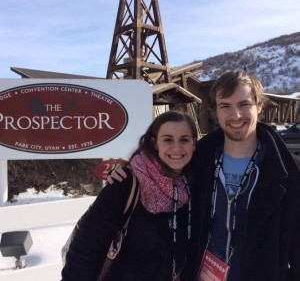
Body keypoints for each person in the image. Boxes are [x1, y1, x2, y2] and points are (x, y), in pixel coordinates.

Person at [109, 70, 300, 281]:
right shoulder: (197, 161)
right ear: (214, 111)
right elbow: (155, 168)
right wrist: (129, 170)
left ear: (259, 107)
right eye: (225, 106)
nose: (235, 115)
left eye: (244, 105)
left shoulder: (289, 172)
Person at [61, 111, 197, 281]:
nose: (177, 148)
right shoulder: (126, 183)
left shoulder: (192, 185)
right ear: (155, 143)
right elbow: (85, 248)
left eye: (184, 139)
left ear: (194, 144)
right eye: (168, 139)